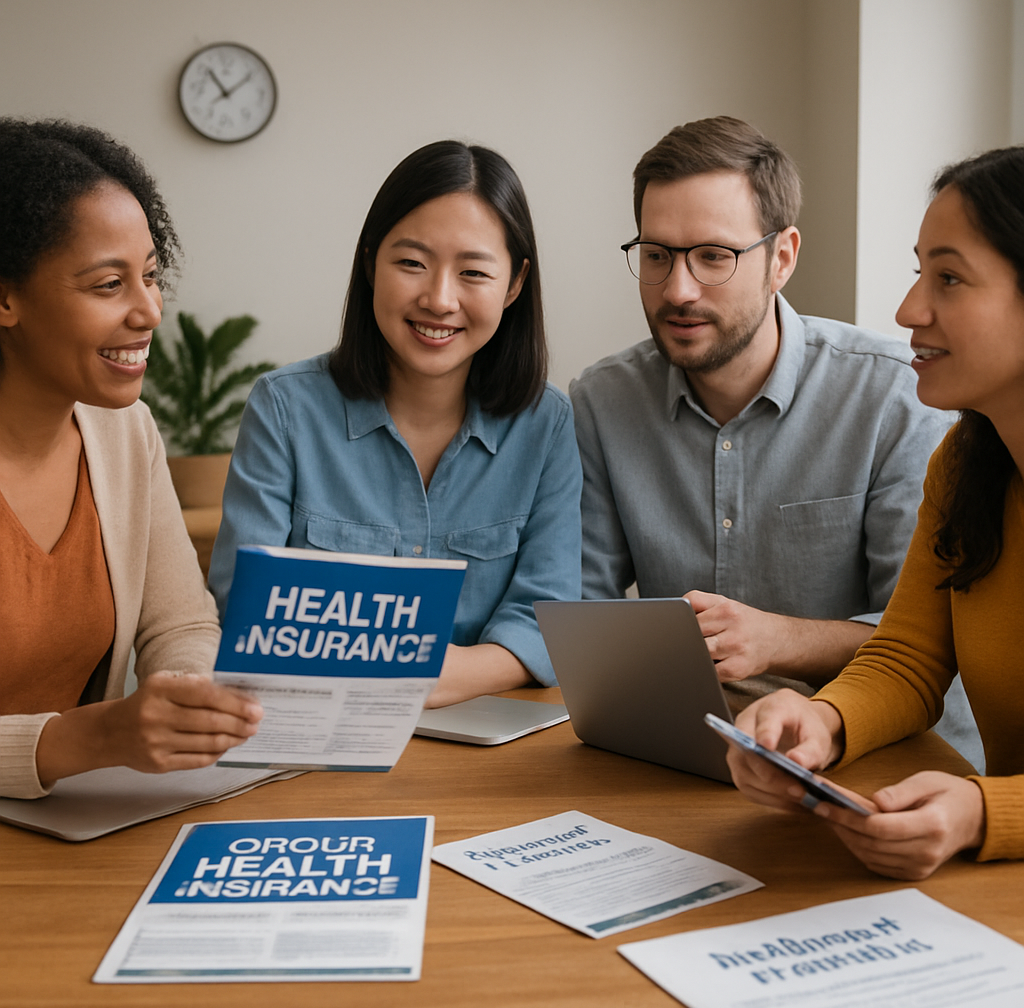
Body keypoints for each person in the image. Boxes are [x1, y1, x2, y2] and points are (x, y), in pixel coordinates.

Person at [570, 116, 951, 693]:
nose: (678, 290)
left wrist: (778, 640)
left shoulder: (892, 396)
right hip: (675, 744)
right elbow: (585, 619)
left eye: (713, 256)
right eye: (656, 255)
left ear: (782, 258)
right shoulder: (601, 402)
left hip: (860, 751)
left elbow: (925, 639)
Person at [727, 145, 1024, 879]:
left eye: (949, 278)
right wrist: (818, 724)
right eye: (920, 270)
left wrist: (986, 812)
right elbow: (910, 656)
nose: (908, 310)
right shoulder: (962, 465)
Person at [209, 141, 582, 707]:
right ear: (368, 263)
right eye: (411, 263)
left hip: (485, 743)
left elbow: (546, 620)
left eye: (473, 272)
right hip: (310, 729)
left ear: (513, 284)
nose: (438, 299)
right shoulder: (284, 409)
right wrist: (409, 673)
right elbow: (246, 607)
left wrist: (425, 678)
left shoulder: (546, 424)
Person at [0, 119, 262, 800]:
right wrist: (91, 739)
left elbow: (180, 623)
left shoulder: (125, 433)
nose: (149, 310)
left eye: (149, 275)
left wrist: (182, 693)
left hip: (78, 824)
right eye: (107, 284)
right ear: (6, 297)